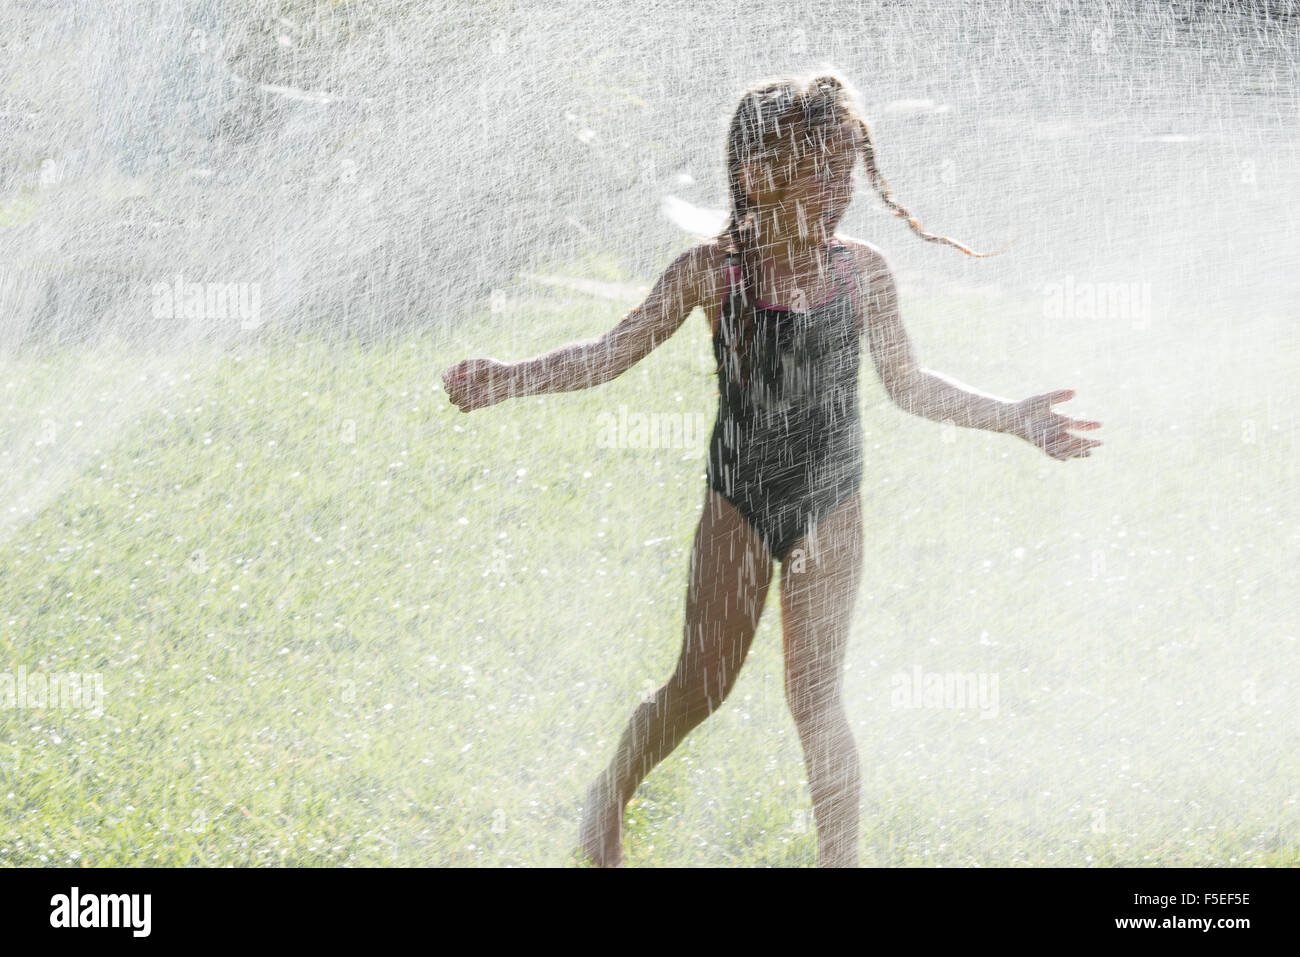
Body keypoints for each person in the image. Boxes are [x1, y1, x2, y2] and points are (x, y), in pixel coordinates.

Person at [440, 72, 1103, 867]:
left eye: (846, 170)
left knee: (816, 696)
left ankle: (840, 861)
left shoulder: (861, 272)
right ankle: (607, 795)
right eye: (820, 170)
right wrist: (510, 377)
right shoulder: (713, 272)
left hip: (832, 502)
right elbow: (608, 354)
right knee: (701, 684)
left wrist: (1013, 416)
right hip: (739, 503)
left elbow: (910, 384)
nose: (840, 189)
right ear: (757, 176)